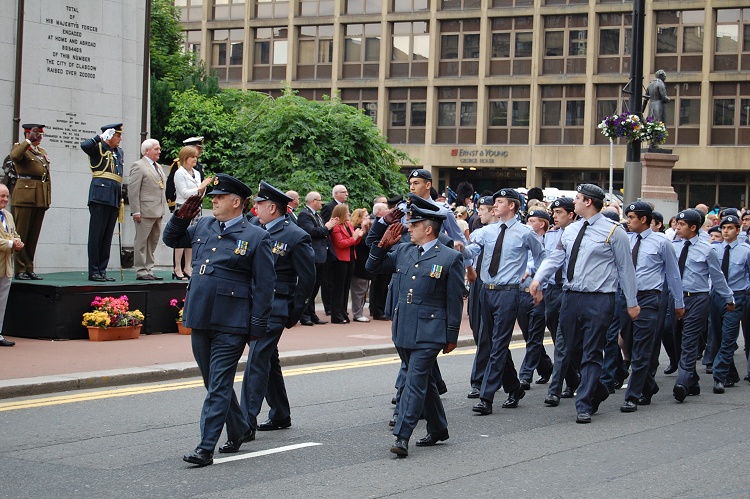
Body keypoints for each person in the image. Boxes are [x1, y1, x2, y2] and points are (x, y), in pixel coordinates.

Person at [162, 174, 276, 467]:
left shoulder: (256, 236)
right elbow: (171, 239)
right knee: (211, 381)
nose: (213, 201)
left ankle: (205, 447)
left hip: (232, 320)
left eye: (219, 198)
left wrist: (257, 326)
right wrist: (178, 216)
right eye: (213, 197)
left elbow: (264, 287)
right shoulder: (203, 224)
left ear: (236, 203)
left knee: (219, 384)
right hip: (200, 314)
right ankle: (238, 428)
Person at [217, 181, 314, 453]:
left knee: (257, 358)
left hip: (276, 306)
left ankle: (246, 422)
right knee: (268, 358)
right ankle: (280, 412)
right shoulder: (253, 229)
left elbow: (307, 280)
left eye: (259, 203)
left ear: (273, 207)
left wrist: (293, 312)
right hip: (252, 303)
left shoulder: (296, 235)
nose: (255, 207)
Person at [530, 183, 640, 424]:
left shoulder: (614, 232)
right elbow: (555, 258)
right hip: (571, 297)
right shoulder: (570, 231)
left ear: (588, 202)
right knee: (570, 348)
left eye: (577, 198)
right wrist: (538, 279)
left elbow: (626, 270)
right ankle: (597, 388)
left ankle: (584, 404)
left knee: (592, 350)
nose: (575, 202)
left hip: (599, 298)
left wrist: (631, 302)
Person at [365, 197, 464, 458]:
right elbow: (371, 267)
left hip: (430, 331)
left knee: (414, 381)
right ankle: (439, 427)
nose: (409, 227)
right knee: (425, 379)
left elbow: (453, 301)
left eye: (414, 224)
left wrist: (451, 336)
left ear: (428, 228)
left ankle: (402, 434)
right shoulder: (405, 251)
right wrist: (381, 246)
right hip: (404, 327)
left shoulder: (450, 257)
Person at [466, 188, 544, 416]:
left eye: (499, 202)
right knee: (491, 343)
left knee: (499, 343)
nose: (495, 206)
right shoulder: (486, 231)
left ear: (511, 205)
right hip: (485, 291)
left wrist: (534, 277)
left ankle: (486, 397)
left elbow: (541, 256)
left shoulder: (525, 232)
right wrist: (461, 250)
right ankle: (514, 387)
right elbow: (472, 252)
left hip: (509, 293)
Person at [619, 202, 684, 412]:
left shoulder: (662, 243)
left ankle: (633, 395)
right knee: (625, 342)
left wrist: (678, 302)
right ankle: (649, 385)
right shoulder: (624, 240)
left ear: (644, 219)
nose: (627, 221)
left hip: (649, 298)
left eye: (631, 217)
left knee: (642, 347)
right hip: (626, 296)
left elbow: (673, 274)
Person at [670, 209, 734, 402]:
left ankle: (682, 382)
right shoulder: (673, 247)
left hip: (697, 298)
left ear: (693, 227)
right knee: (675, 337)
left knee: (689, 340)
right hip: (676, 298)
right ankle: (693, 380)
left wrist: (728, 298)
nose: (677, 227)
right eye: (677, 224)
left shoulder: (707, 249)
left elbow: (717, 277)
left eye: (682, 225)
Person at [542, 197, 581, 407]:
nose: (554, 216)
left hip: (570, 290)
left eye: (559, 213)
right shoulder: (550, 235)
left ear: (571, 215)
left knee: (565, 342)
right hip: (551, 290)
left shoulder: (577, 235)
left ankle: (555, 389)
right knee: (561, 341)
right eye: (553, 212)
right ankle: (573, 378)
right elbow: (544, 260)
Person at [708, 215, 749, 394]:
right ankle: (731, 373)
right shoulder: (714, 249)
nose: (726, 231)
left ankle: (719, 376)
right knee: (718, 337)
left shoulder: (745, 251)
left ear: (738, 230)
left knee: (729, 337)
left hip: (736, 297)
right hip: (716, 296)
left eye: (731, 228)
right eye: (724, 228)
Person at [80, 123, 124, 282]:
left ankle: (102, 270)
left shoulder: (119, 152)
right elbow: (84, 146)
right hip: (100, 195)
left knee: (107, 236)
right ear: (109, 136)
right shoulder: (98, 147)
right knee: (96, 235)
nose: (120, 138)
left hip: (113, 195)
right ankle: (94, 270)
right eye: (117, 135)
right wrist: (99, 137)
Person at [518, 209, 554, 389]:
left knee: (535, 336)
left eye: (532, 221)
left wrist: (530, 270)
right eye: (528, 220)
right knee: (528, 335)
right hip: (522, 293)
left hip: (541, 293)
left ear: (542, 224)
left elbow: (543, 261)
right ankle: (546, 367)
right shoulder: (523, 241)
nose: (528, 223)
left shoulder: (549, 242)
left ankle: (525, 375)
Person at [9, 124, 50, 280]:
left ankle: (29, 267)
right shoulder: (21, 148)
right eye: (36, 135)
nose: (39, 138)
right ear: (29, 134)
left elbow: (46, 177)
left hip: (39, 197)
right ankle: (19, 269)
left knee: (33, 236)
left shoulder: (41, 152)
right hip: (25, 197)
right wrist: (27, 141)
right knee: (21, 234)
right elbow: (14, 157)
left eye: (40, 135)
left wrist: (47, 198)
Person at [466, 195, 497, 399]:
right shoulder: (478, 233)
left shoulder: (508, 233)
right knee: (479, 332)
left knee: (488, 335)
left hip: (495, 286)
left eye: (483, 209)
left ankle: (479, 380)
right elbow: (469, 255)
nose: (479, 213)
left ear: (493, 211)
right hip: (477, 283)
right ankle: (499, 373)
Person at [128, 139, 167, 281]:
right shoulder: (139, 166)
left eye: (159, 149)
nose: (159, 151)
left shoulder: (158, 167)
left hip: (157, 211)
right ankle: (140, 269)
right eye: (156, 149)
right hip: (144, 210)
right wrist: (136, 211)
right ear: (146, 151)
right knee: (141, 241)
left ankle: (149, 268)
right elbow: (133, 191)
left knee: (153, 241)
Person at [297, 191, 337, 326]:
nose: (321, 203)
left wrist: (329, 227)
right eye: (320, 201)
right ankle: (304, 314)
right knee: (310, 286)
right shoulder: (304, 215)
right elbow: (311, 233)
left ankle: (312, 313)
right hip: (312, 255)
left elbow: (323, 232)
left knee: (315, 287)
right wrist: (327, 227)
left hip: (321, 255)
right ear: (313, 201)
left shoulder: (317, 215)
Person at [172, 146, 212, 280]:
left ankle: (187, 267)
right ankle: (177, 267)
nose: (195, 159)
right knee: (181, 237)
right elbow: (183, 193)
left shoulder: (197, 173)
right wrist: (199, 188)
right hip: (183, 206)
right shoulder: (179, 173)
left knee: (192, 237)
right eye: (192, 157)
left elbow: (201, 191)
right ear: (185, 158)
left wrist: (202, 189)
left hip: (195, 207)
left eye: (196, 157)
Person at [329, 203, 363, 323]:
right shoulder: (336, 227)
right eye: (347, 211)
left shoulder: (348, 224)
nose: (349, 213)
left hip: (350, 258)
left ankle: (343, 312)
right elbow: (340, 244)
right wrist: (354, 238)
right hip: (340, 260)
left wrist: (358, 237)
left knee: (346, 287)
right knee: (338, 288)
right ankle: (336, 315)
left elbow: (353, 242)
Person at [0, 184, 23, 346]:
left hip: (6, 267)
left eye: (7, 196)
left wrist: (18, 242)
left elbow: (15, 234)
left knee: (1, 303)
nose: (5, 199)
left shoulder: (8, 215)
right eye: (2, 196)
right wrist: (10, 243)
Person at [166, 136, 206, 213]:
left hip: (196, 204)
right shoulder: (178, 165)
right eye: (198, 148)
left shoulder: (198, 166)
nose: (201, 150)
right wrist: (172, 203)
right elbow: (171, 185)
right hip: (183, 204)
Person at [350, 208, 373, 322]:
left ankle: (359, 312)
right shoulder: (357, 230)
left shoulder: (367, 230)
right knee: (358, 290)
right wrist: (364, 229)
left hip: (365, 263)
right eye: (366, 216)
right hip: (359, 264)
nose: (369, 218)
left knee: (363, 290)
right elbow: (366, 243)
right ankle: (357, 313)